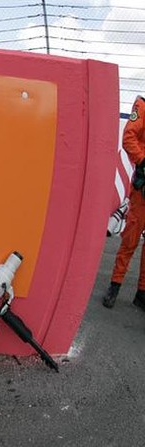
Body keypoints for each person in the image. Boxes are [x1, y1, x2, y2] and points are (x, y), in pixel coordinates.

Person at [102, 96, 145, 310]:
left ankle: (142, 293)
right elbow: (129, 137)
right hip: (142, 191)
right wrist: (143, 161)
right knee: (130, 241)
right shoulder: (143, 106)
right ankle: (115, 285)